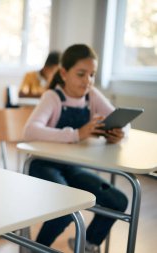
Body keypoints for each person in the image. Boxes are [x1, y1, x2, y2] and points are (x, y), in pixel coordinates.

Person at [22, 44, 128, 253]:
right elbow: (30, 131)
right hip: (43, 166)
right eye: (81, 74)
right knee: (67, 208)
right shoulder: (52, 97)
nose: (87, 80)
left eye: (92, 75)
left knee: (118, 201)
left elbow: (123, 120)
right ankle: (37, 249)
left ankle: (87, 244)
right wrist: (77, 134)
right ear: (64, 73)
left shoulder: (92, 95)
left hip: (71, 167)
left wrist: (120, 133)